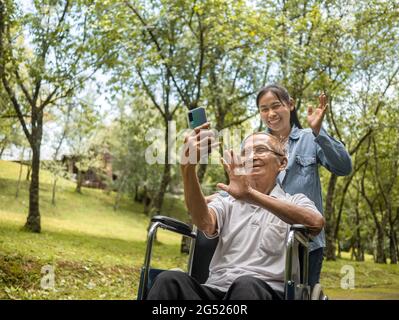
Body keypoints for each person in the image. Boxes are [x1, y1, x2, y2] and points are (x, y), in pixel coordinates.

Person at [146, 128, 325, 300]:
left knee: (245, 285)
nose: (252, 157)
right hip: (216, 288)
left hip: (265, 291)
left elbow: (315, 223)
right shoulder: (227, 202)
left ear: (282, 163)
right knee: (169, 280)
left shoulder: (295, 201)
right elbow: (204, 222)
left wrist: (250, 195)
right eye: (245, 153)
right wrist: (188, 170)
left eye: (261, 150)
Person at [255, 84, 352, 287]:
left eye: (275, 106)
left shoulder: (310, 138)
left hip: (306, 242)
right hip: (263, 240)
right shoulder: (254, 145)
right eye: (264, 109)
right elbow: (242, 187)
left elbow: (343, 167)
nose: (271, 113)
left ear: (290, 105)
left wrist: (319, 131)